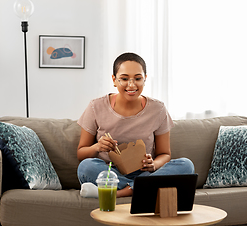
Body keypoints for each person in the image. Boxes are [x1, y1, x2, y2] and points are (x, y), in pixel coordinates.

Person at [77, 52, 194, 198]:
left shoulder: (158, 109)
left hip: (145, 171)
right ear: (114, 80)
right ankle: (144, 187)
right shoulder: (96, 106)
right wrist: (97, 147)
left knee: (186, 165)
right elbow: (81, 154)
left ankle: (119, 193)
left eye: (138, 78)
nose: (131, 85)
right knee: (86, 167)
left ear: (145, 79)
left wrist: (154, 165)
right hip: (111, 173)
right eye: (124, 79)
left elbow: (165, 154)